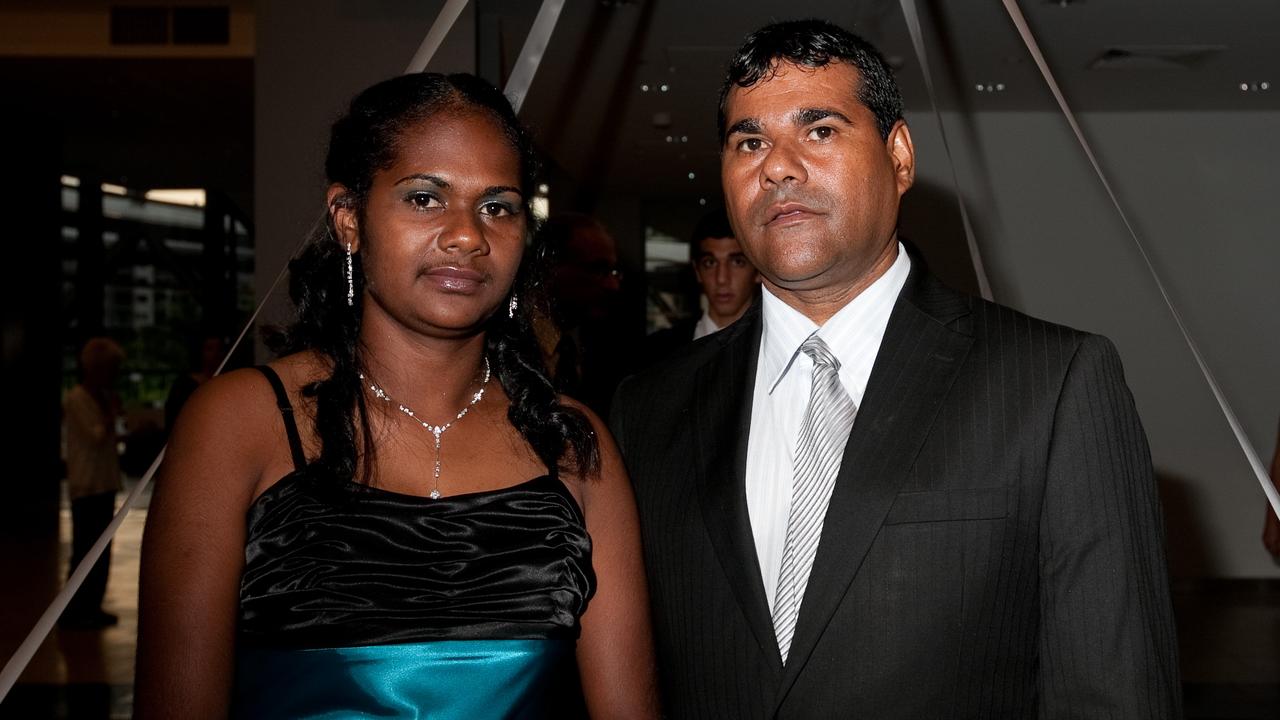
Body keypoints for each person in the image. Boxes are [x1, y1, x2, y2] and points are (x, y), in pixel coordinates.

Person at [610, 20, 1181, 718]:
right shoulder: (648, 409)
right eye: (750, 141)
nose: (778, 166)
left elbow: (1113, 689)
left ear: (900, 156)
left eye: (819, 130)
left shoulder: (1053, 384)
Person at [136, 73, 657, 719]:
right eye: (424, 198)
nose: (467, 235)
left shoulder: (573, 442)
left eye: (498, 206)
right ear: (349, 219)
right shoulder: (238, 422)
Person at [61, 337, 125, 630]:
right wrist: (111, 415)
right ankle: (75, 609)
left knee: (100, 550)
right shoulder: (77, 398)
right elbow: (95, 435)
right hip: (86, 485)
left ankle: (93, 606)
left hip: (104, 483)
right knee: (83, 550)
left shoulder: (100, 397)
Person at [535, 212, 627, 415]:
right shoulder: (507, 343)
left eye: (613, 272)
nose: (612, 285)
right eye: (598, 269)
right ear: (550, 268)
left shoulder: (608, 345)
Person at [643, 208, 759, 366]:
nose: (722, 278)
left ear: (758, 271)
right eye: (710, 263)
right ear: (697, 271)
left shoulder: (779, 348)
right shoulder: (657, 351)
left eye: (737, 262)